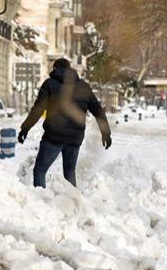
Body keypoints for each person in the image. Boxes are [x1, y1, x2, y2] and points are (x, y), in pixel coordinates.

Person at [18, 58, 112, 188]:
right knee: (69, 173)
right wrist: (106, 133)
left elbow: (38, 109)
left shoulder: (50, 84)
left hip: (53, 137)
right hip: (75, 138)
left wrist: (25, 128)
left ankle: (40, 202)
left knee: (40, 170)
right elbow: (98, 111)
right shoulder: (83, 87)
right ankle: (72, 203)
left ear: (55, 69)